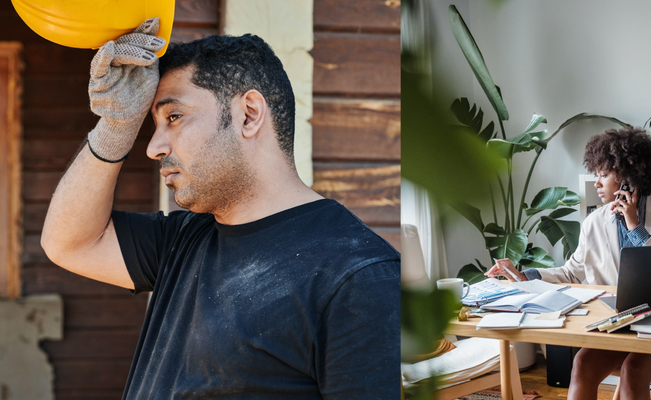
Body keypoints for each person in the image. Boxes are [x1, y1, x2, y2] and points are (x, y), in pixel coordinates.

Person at [39, 20, 402, 398]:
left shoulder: (358, 279)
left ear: (248, 114)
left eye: (174, 117)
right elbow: (70, 242)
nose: (153, 147)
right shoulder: (182, 240)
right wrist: (115, 126)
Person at [485, 127, 651, 400]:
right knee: (582, 364)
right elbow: (571, 272)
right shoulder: (594, 222)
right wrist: (523, 274)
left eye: (603, 175)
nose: (597, 183)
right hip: (620, 323)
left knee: (633, 369)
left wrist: (635, 227)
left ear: (627, 178)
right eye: (596, 175)